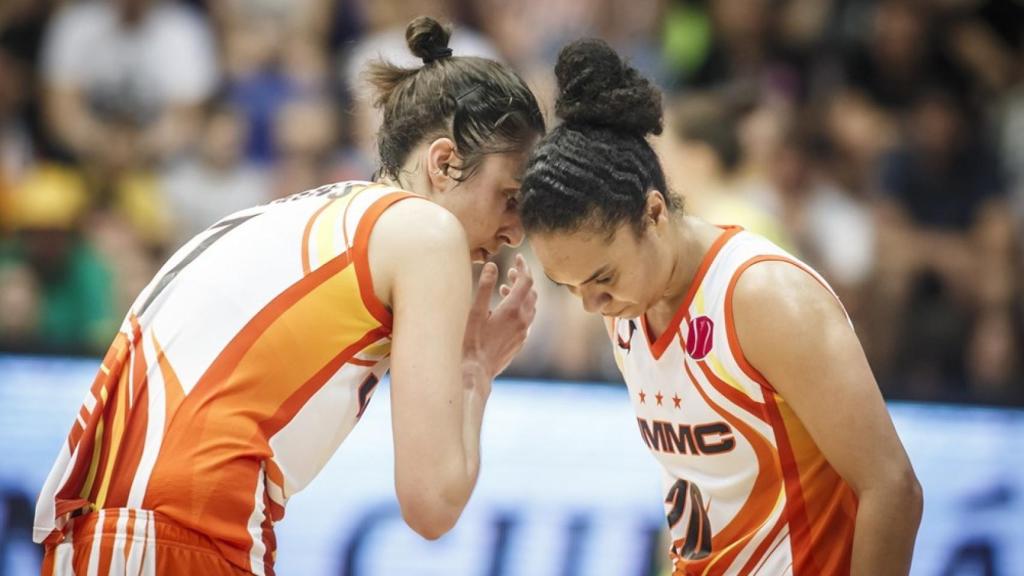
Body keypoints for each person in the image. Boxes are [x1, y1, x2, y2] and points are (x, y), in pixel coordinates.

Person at [34, 16, 544, 575]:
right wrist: (474, 374)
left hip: (121, 530)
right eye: (510, 197)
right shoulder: (427, 231)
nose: (515, 232)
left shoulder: (304, 211)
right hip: (182, 531)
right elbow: (432, 503)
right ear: (443, 163)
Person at [518, 39, 922, 575]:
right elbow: (695, 495)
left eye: (602, 278)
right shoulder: (628, 309)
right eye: (570, 286)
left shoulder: (763, 297)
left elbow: (893, 488)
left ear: (654, 213)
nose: (594, 305)